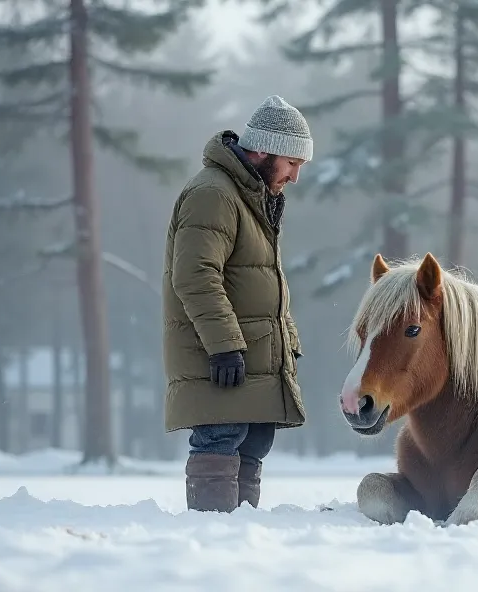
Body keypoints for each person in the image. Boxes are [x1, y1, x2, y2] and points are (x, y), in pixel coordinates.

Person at [161, 95, 312, 512]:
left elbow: (266, 282)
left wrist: (288, 344)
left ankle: (239, 539)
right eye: (293, 163)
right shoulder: (214, 194)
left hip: (256, 352)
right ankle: (212, 539)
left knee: (255, 440)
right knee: (220, 436)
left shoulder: (252, 196)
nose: (296, 177)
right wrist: (224, 344)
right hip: (222, 354)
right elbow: (194, 274)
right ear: (262, 149)